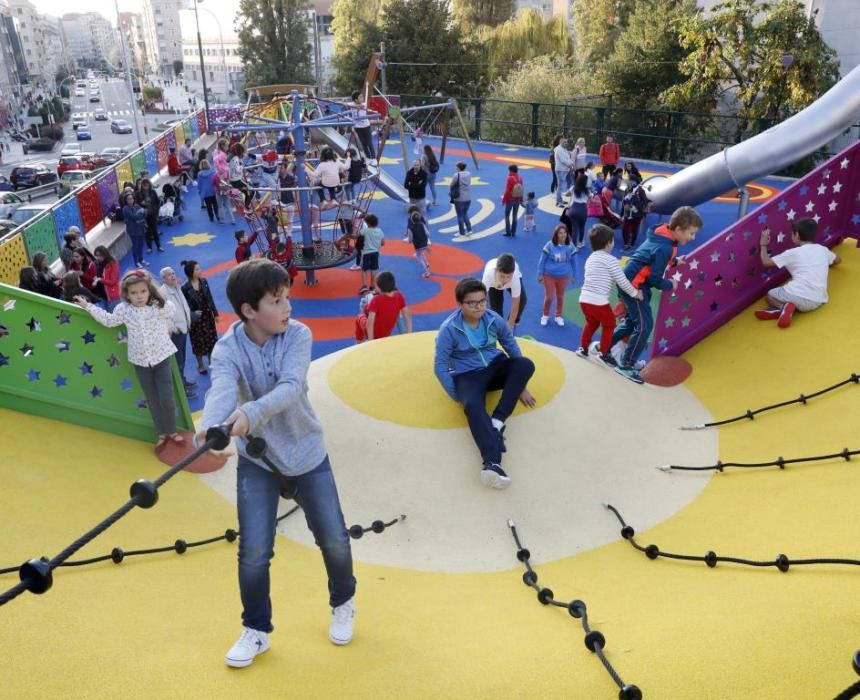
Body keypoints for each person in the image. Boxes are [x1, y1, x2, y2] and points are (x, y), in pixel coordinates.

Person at [196, 258, 357, 667]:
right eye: (277, 300)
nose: (288, 308)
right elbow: (221, 390)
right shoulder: (227, 348)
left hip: (305, 452)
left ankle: (343, 601)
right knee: (253, 551)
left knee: (333, 538)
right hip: (259, 461)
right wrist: (211, 427)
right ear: (249, 310)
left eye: (286, 298)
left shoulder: (297, 335)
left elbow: (290, 387)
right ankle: (256, 630)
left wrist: (250, 415)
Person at [433, 277, 536, 489]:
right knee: (473, 406)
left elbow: (511, 346)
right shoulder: (449, 329)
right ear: (460, 304)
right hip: (468, 374)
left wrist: (521, 385)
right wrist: (457, 395)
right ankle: (492, 462)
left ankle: (497, 422)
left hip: (495, 365)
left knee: (525, 365)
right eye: (472, 303)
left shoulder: (493, 319)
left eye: (482, 301)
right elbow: (440, 365)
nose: (479, 306)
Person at [75, 269, 183, 448]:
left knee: (167, 398)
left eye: (143, 291)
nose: (139, 296)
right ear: (126, 294)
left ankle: (172, 430)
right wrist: (88, 306)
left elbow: (170, 311)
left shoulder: (157, 307)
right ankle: (162, 433)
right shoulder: (124, 310)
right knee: (152, 399)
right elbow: (109, 321)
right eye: (134, 293)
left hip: (161, 357)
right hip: (140, 361)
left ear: (149, 291)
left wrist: (157, 296)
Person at [610, 206, 701, 383]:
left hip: (632, 281)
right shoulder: (665, 246)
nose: (693, 237)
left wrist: (674, 262)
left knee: (632, 322)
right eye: (691, 233)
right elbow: (655, 279)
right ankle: (626, 364)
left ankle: (605, 346)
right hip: (633, 285)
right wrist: (670, 284)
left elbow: (652, 258)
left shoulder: (664, 235)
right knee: (644, 326)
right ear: (679, 229)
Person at [755, 218, 841, 328]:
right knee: (794, 294)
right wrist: (828, 262)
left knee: (770, 294)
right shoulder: (822, 250)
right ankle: (786, 309)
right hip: (818, 300)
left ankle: (782, 309)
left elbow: (766, 262)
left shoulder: (791, 253)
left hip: (796, 297)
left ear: (797, 235)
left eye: (792, 234)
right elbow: (838, 260)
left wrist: (763, 245)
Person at [577, 224, 642, 366]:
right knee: (610, 324)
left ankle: (583, 348)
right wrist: (635, 292)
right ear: (608, 243)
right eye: (613, 241)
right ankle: (604, 353)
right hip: (598, 301)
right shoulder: (611, 260)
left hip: (584, 299)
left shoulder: (591, 258)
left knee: (591, 323)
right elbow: (622, 281)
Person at [159, 266, 197, 399]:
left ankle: (183, 381)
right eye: (169, 275)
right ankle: (181, 389)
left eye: (173, 273)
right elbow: (163, 314)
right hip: (176, 332)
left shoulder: (177, 287)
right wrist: (173, 328)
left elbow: (183, 306)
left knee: (182, 358)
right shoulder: (162, 293)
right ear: (163, 279)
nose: (173, 276)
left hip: (183, 328)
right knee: (178, 361)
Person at [181, 259, 219, 376]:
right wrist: (192, 315)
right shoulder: (185, 288)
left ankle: (212, 361)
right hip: (196, 320)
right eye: (197, 269)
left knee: (211, 339)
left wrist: (215, 313)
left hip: (207, 316)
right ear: (190, 272)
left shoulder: (204, 281)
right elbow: (185, 306)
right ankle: (201, 364)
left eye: (199, 268)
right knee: (198, 342)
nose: (200, 271)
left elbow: (210, 297)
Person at [537, 224, 576, 327]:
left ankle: (558, 316)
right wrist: (540, 274)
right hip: (549, 275)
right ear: (556, 234)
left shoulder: (570, 246)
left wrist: (574, 275)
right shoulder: (549, 245)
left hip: (563, 276)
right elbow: (542, 260)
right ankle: (545, 315)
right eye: (560, 233)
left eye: (564, 233)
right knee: (549, 297)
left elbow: (574, 262)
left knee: (560, 297)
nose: (563, 235)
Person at [482, 253, 527, 332]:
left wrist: (510, 325)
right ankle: (499, 326)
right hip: (494, 284)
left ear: (512, 274)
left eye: (508, 277)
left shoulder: (515, 278)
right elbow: (481, 300)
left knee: (522, 300)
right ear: (496, 271)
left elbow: (515, 304)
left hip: (511, 282)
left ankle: (514, 322)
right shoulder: (488, 277)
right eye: (502, 276)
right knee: (496, 313)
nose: (505, 280)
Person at [366, 271, 412, 340]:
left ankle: (359, 342)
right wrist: (409, 332)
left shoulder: (376, 300)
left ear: (379, 288)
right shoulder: (399, 296)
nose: (375, 287)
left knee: (360, 317)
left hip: (373, 333)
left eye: (376, 285)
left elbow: (370, 322)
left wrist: (370, 340)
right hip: (385, 333)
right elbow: (407, 314)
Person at [561, 174, 590, 248]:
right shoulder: (587, 190)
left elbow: (567, 194)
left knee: (574, 229)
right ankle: (580, 243)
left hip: (573, 209)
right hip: (583, 209)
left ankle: (574, 245)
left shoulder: (573, 188)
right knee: (582, 227)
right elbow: (591, 200)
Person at [136, 178, 163, 254]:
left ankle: (159, 246)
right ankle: (149, 248)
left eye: (147, 184)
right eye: (144, 184)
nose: (146, 186)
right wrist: (142, 203)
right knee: (147, 232)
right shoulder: (138, 194)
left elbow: (157, 202)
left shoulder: (153, 192)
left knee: (155, 230)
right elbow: (137, 204)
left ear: (149, 184)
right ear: (142, 185)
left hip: (153, 214)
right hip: (144, 215)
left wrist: (156, 211)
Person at [359, 213, 384, 293]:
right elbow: (383, 243)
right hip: (376, 252)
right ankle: (373, 285)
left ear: (367, 223)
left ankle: (364, 285)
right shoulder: (380, 231)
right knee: (374, 268)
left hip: (366, 252)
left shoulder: (365, 231)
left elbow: (358, 235)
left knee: (364, 269)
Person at [405, 206, 431, 278]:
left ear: (412, 220)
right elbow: (428, 234)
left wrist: (410, 241)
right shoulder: (422, 225)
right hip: (424, 242)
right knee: (421, 253)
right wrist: (426, 239)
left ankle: (426, 272)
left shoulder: (411, 228)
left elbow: (410, 239)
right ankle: (427, 263)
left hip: (417, 244)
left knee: (419, 257)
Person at [350, 90, 375, 162]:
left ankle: (373, 158)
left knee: (369, 143)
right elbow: (347, 104)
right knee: (363, 144)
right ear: (356, 100)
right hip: (358, 127)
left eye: (362, 96)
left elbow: (361, 105)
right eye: (360, 97)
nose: (362, 98)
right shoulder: (352, 105)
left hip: (366, 126)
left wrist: (357, 107)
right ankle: (368, 158)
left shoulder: (364, 104)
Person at [93, 245, 120, 310]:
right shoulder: (98, 263)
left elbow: (113, 281)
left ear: (105, 254)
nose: (98, 257)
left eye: (100, 255)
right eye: (96, 256)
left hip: (113, 295)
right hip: (102, 294)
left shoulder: (112, 264)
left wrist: (100, 279)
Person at [450, 161, 472, 237]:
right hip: (468, 198)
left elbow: (451, 185)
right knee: (465, 214)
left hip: (459, 198)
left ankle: (461, 232)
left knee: (460, 215)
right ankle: (469, 230)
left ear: (458, 168)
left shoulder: (456, 175)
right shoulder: (469, 174)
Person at [501, 164, 524, 237]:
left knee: (507, 215)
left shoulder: (510, 178)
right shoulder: (520, 177)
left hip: (510, 199)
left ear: (511, 170)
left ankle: (508, 232)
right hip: (517, 198)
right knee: (515, 215)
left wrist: (504, 199)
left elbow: (507, 190)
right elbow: (521, 189)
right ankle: (513, 232)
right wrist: (521, 199)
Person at [197, 159, 219, 223]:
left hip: (205, 192)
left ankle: (211, 217)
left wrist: (200, 191)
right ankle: (217, 215)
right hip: (212, 190)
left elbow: (199, 184)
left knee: (208, 206)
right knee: (215, 204)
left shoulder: (199, 174)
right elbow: (215, 181)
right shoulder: (212, 172)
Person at [553, 138, 573, 207]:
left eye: (566, 142)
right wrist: (571, 165)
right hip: (560, 170)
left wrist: (571, 164)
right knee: (560, 186)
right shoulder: (559, 150)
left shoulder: (564, 149)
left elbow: (568, 158)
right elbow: (563, 160)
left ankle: (560, 200)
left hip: (565, 169)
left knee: (562, 185)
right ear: (560, 142)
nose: (566, 143)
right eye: (564, 142)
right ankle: (558, 202)